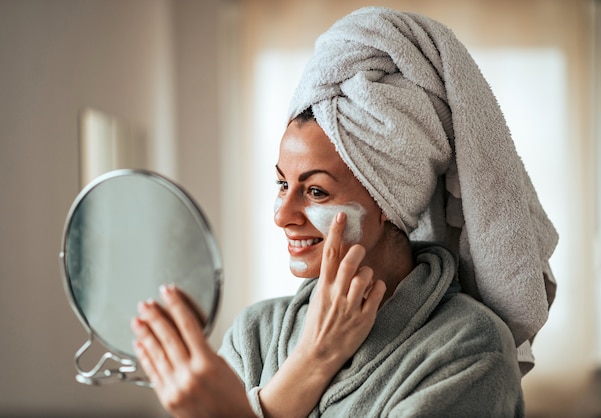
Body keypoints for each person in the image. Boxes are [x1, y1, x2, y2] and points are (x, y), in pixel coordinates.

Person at [131, 6, 558, 417]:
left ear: (390, 201)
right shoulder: (254, 334)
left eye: (315, 191)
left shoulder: (470, 347)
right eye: (283, 184)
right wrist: (311, 358)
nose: (282, 215)